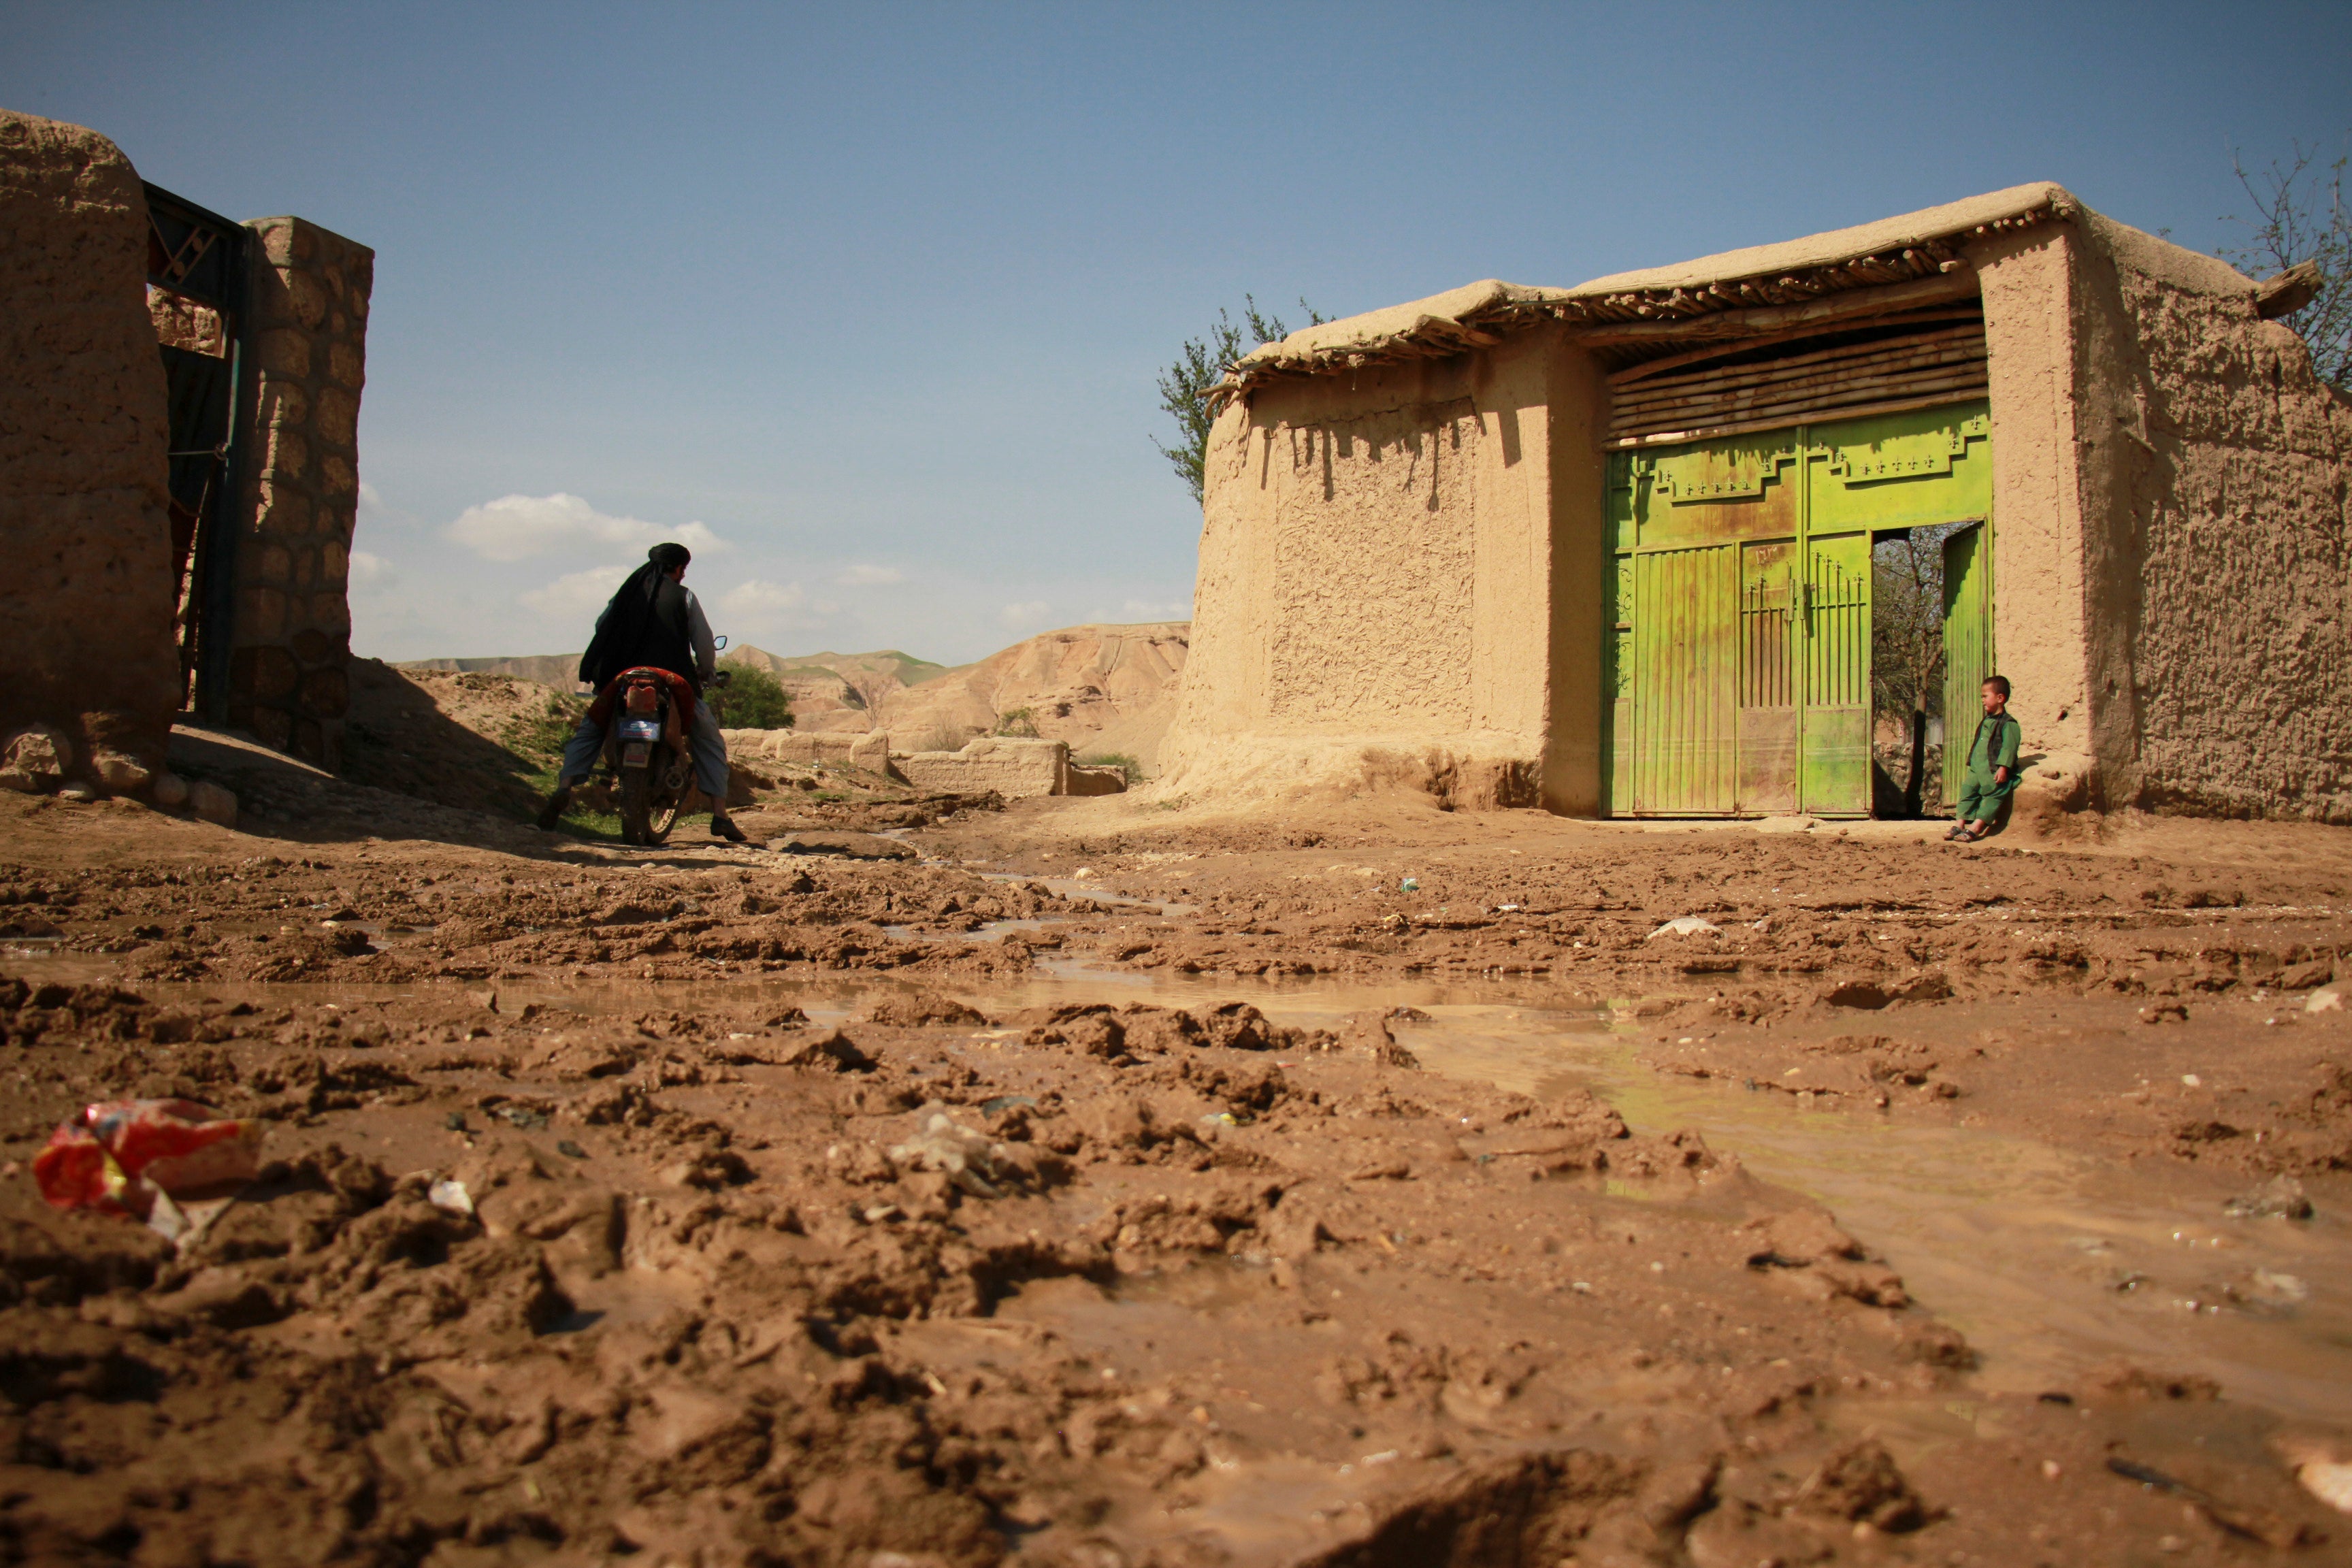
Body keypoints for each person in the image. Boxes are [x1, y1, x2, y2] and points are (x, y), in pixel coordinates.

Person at [536, 541, 747, 843]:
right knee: (709, 739)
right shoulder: (684, 597)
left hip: (623, 678)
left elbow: (602, 626)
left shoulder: (625, 594)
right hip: (671, 679)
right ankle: (720, 815)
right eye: (683, 570)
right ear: (679, 568)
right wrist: (706, 671)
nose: (683, 576)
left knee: (591, 730)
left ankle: (565, 787)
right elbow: (703, 641)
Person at [1946, 674, 2021, 843]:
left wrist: (2003, 768)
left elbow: (2009, 748)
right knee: (1968, 791)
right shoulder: (1987, 720)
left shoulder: (2009, 724)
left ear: (2000, 698)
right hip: (1977, 768)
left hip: (1993, 770)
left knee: (1993, 795)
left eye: (1985, 696)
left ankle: (1977, 827)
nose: (1983, 700)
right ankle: (1960, 823)